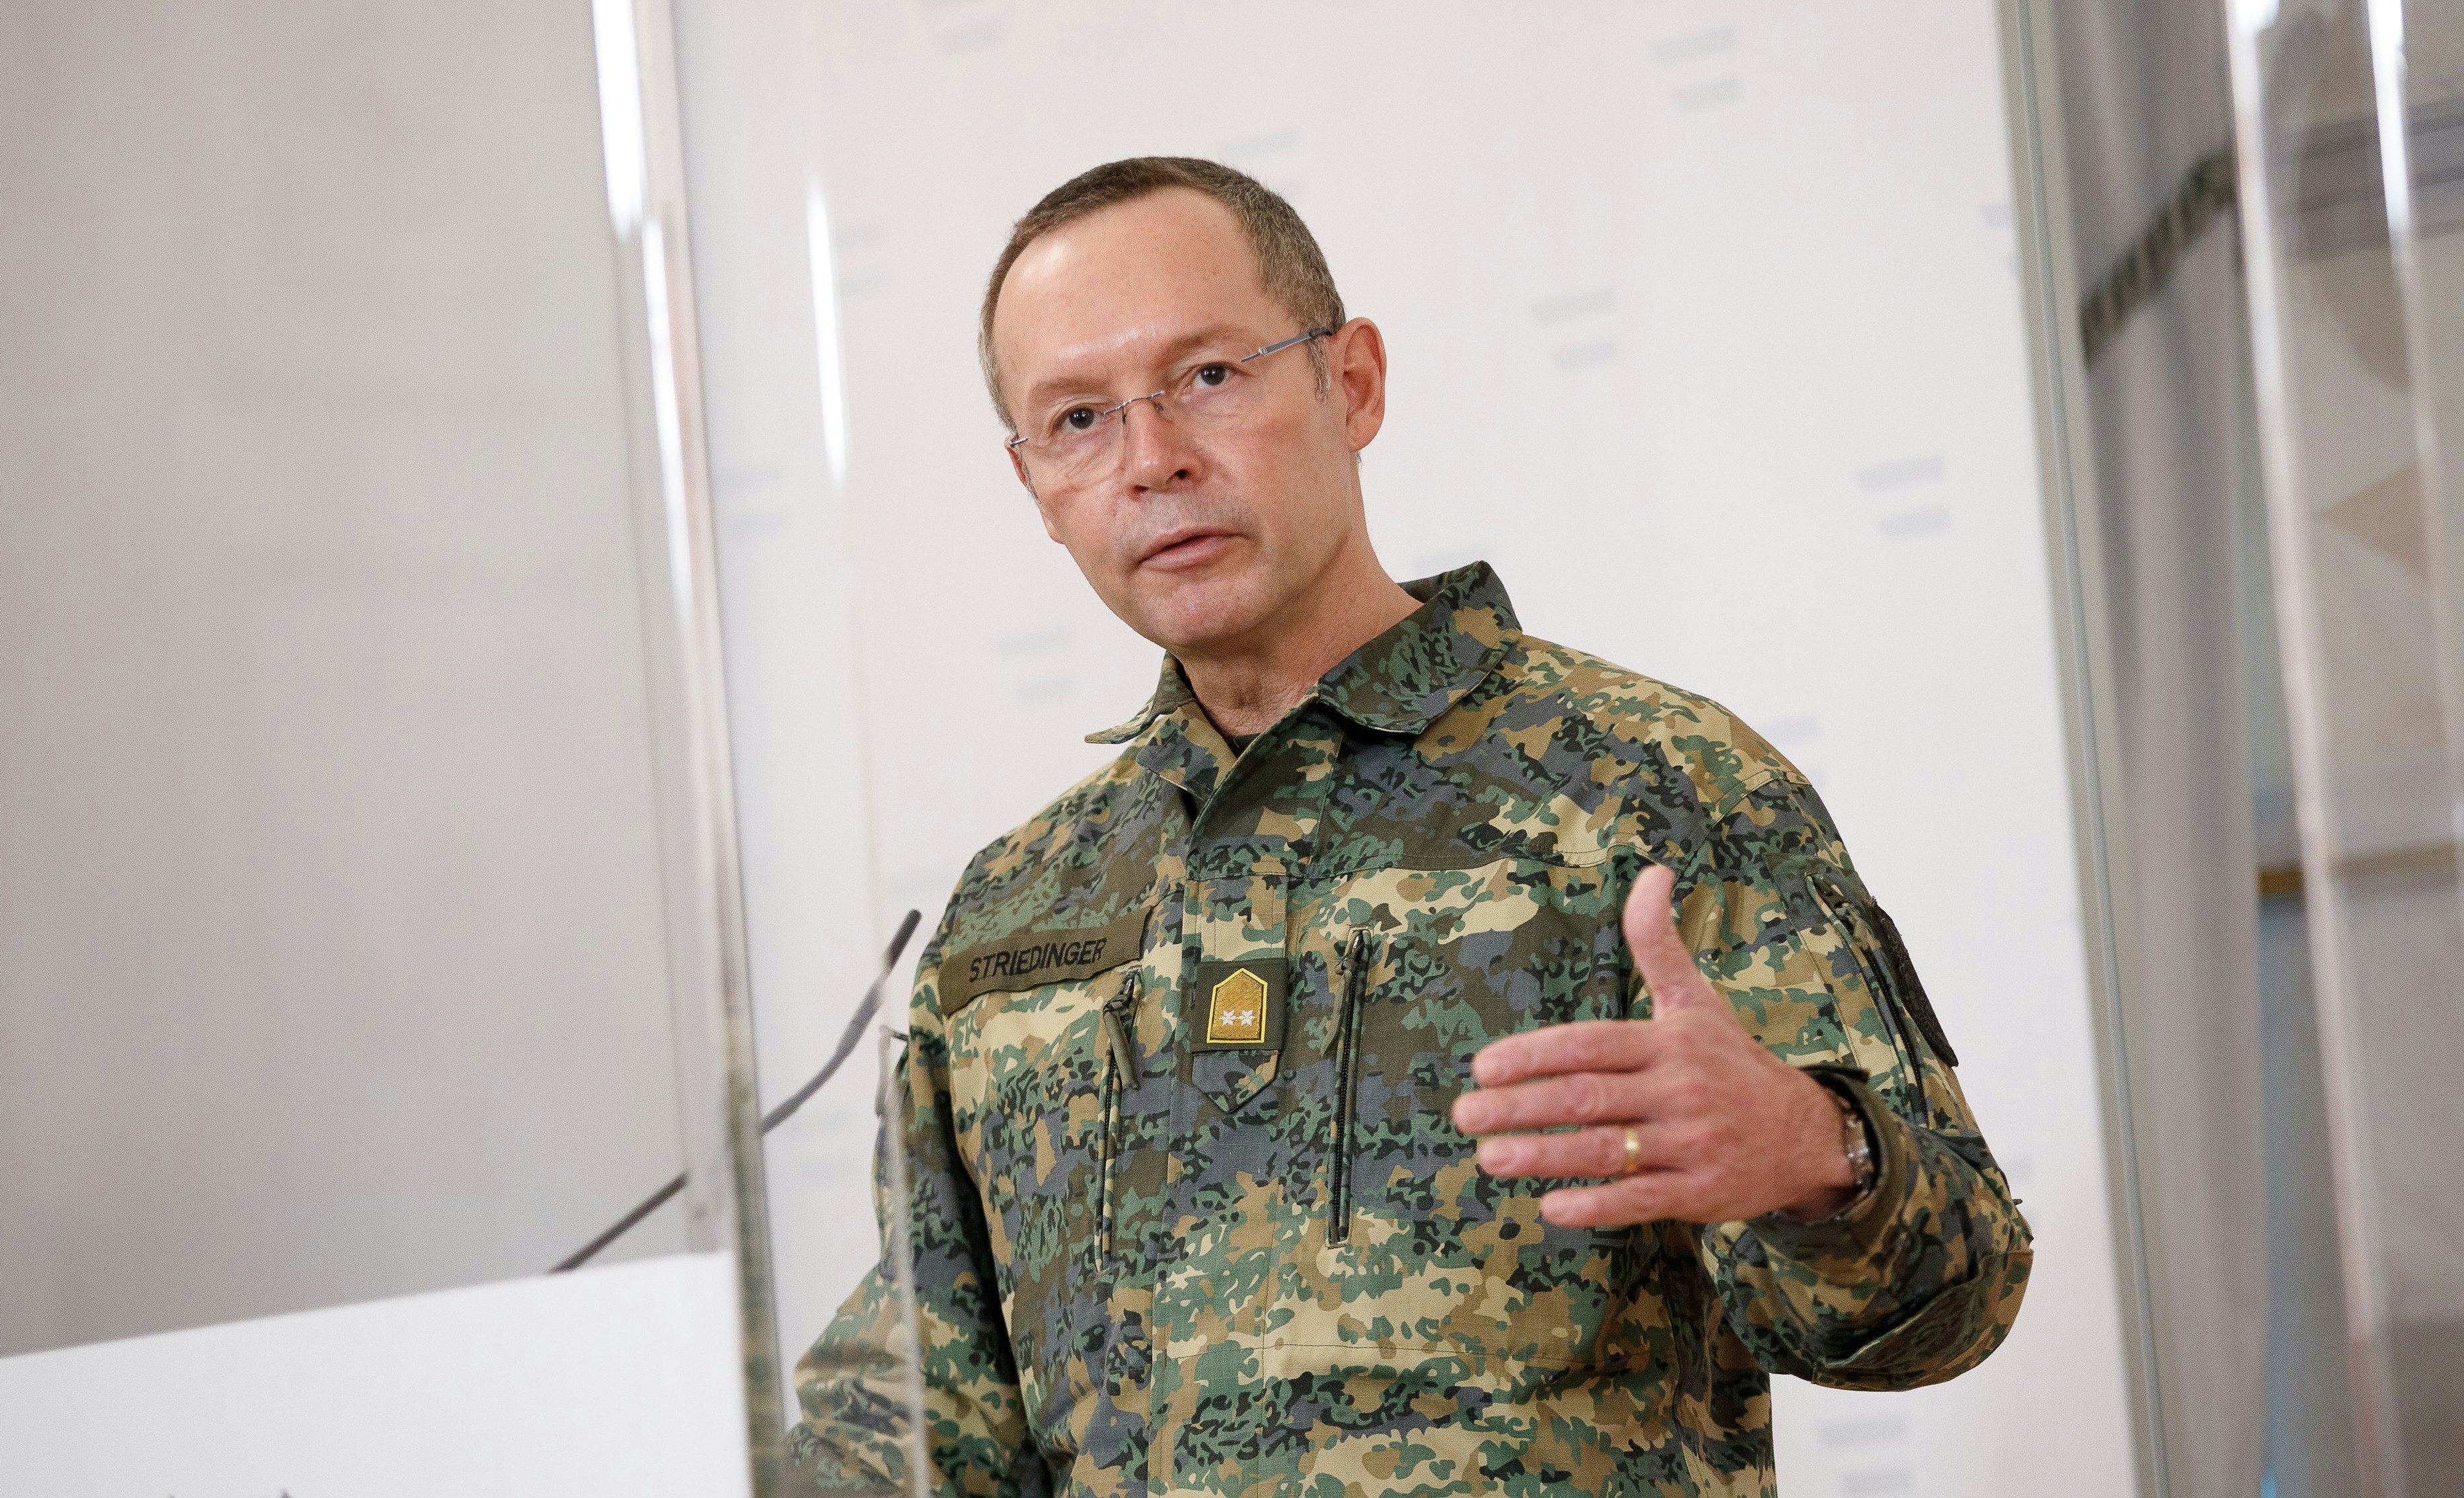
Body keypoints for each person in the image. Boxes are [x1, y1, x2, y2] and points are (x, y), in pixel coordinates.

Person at [782, 156, 2030, 1497]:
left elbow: (1954, 1295)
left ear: (1350, 382)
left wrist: (1811, 1158)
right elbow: (918, 1426)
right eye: (1079, 419)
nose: (1152, 460)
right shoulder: (1011, 911)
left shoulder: (1648, 783)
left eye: (1206, 376)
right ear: (1034, 486)